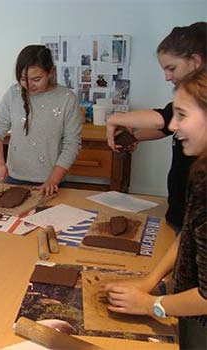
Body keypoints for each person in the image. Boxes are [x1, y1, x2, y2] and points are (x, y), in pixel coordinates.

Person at [103, 69, 207, 350]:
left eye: (182, 115)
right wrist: (149, 282)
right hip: (187, 307)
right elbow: (188, 233)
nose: (172, 126)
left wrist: (153, 305)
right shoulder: (201, 171)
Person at [106, 22, 206, 231]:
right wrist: (134, 137)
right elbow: (166, 126)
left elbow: (162, 119)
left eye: (171, 68)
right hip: (181, 212)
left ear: (195, 61)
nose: (167, 76)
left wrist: (114, 119)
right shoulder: (187, 99)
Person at [0, 45, 82, 195]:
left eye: (36, 79)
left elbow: (72, 144)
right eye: (23, 79)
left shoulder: (66, 99)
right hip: (14, 178)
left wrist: (52, 180)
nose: (29, 85)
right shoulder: (14, 94)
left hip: (51, 181)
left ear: (51, 72)